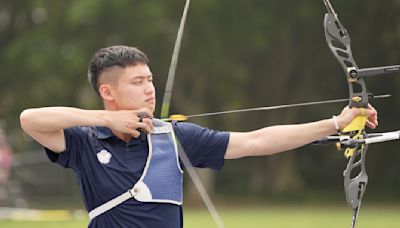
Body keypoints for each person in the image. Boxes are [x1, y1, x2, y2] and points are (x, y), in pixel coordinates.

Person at [19, 45, 378, 228]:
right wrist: (106, 120)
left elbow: (256, 141)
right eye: (137, 82)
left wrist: (335, 122)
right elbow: (31, 118)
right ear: (107, 91)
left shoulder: (172, 136)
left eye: (150, 80)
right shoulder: (85, 141)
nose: (149, 90)